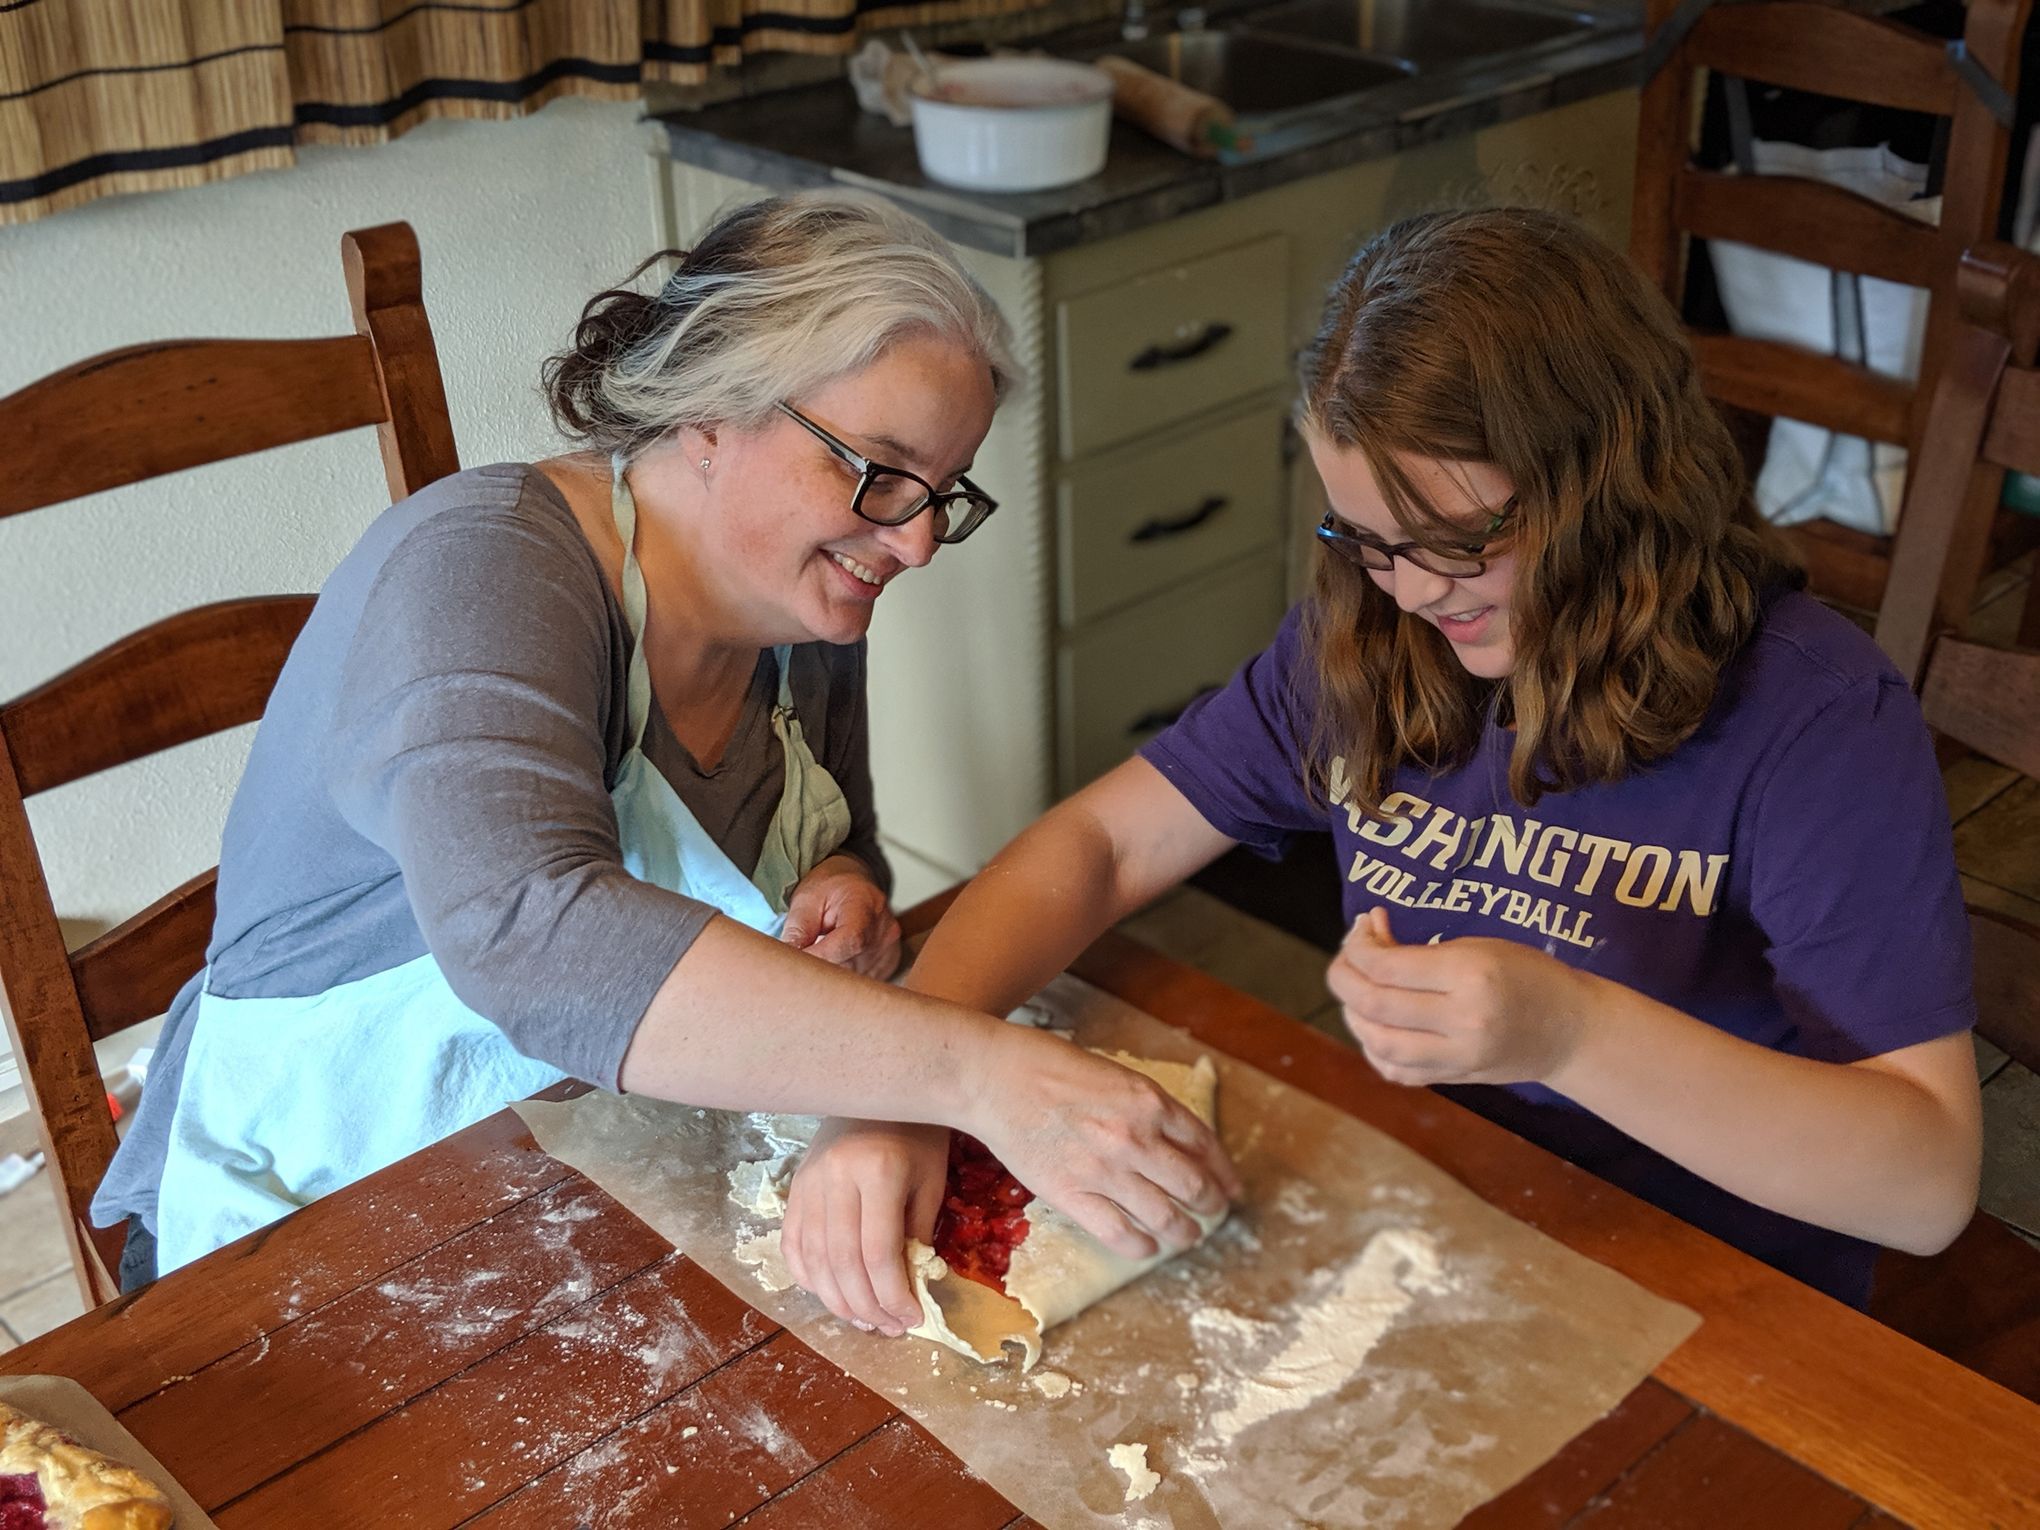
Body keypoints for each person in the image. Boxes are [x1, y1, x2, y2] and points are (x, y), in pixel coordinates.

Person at [783, 206, 1981, 1327]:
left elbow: (1924, 1185)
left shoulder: (1816, 719)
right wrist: (913, 1086)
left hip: (1722, 1279)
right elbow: (1098, 847)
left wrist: (1568, 1034)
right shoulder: (1376, 641)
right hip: (1448, 1205)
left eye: (1462, 543)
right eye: (1367, 540)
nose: (1413, 590)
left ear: (1615, 489)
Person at [94, 190, 1236, 1291]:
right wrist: (980, 1077)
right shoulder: (483, 569)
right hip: (308, 1217)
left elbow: (846, 848)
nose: (921, 541)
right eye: (883, 473)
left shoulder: (804, 614)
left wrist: (845, 889)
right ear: (707, 411)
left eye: (944, 492)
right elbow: (530, 935)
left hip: (582, 1166)